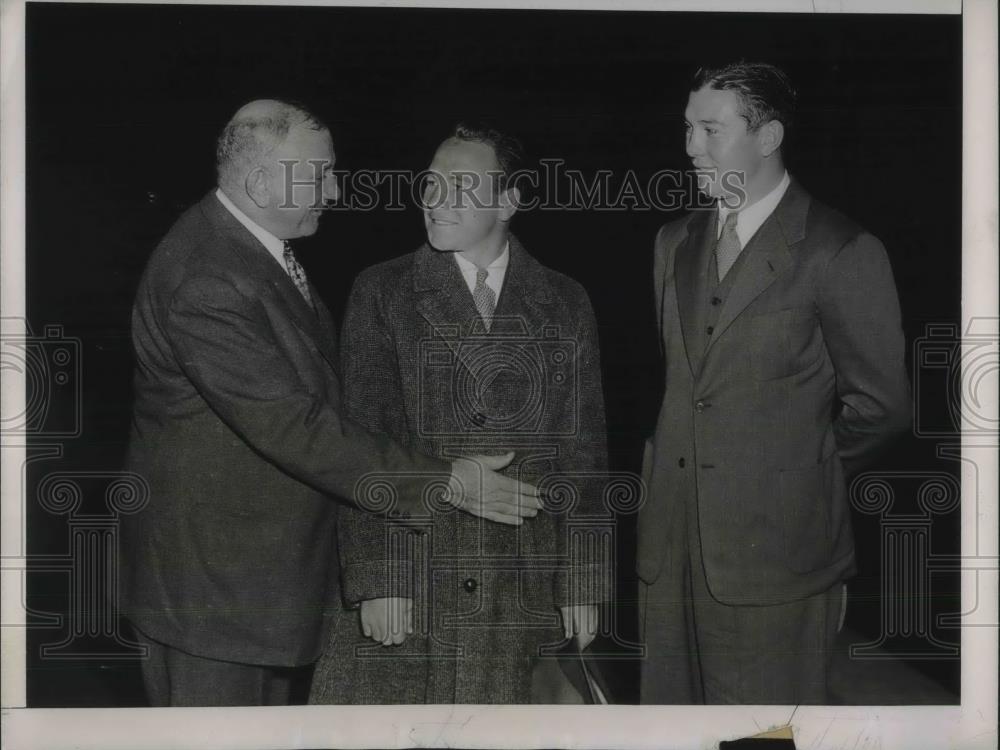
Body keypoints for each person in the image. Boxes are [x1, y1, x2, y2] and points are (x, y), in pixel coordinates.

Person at [120, 101, 542, 707]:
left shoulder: (248, 248)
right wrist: (448, 480)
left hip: (253, 588)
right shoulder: (206, 277)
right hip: (211, 599)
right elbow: (296, 427)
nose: (336, 189)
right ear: (262, 181)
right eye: (319, 173)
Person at [637, 63, 910, 704]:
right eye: (686, 128)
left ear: (768, 137)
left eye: (709, 129)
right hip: (668, 550)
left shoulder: (841, 250)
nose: (689, 148)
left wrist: (793, 466)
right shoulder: (671, 241)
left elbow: (883, 407)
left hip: (778, 557)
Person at [309, 124, 609, 704]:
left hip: (518, 583)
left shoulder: (565, 300)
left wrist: (583, 581)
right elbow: (365, 439)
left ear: (508, 201)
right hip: (416, 573)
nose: (435, 199)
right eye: (431, 183)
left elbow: (585, 455)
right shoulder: (382, 291)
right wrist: (381, 578)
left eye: (461, 185)